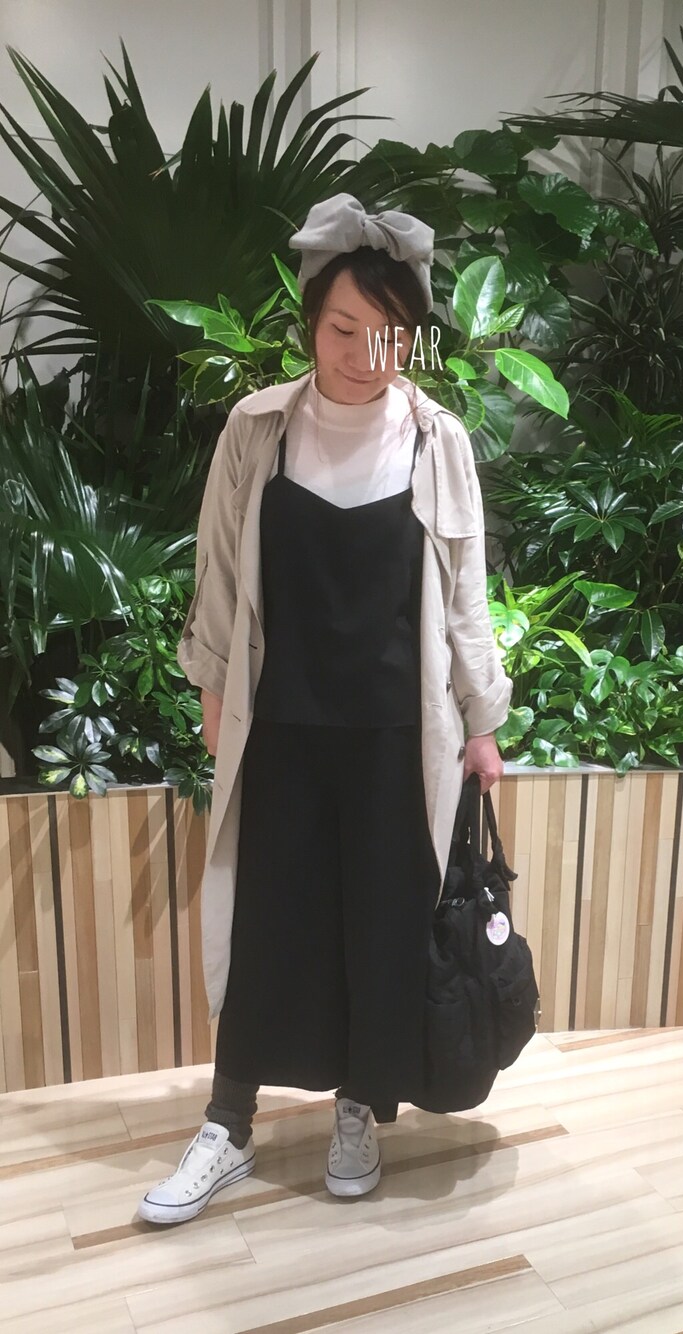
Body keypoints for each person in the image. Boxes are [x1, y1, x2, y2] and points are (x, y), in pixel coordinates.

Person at [137, 194, 512, 1224]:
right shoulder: (258, 428)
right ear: (311, 321)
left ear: (412, 335)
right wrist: (214, 689)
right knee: (269, 920)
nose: (363, 353)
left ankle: (359, 1106)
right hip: (282, 726)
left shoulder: (437, 441)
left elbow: (467, 592)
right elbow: (219, 573)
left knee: (383, 926)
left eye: (386, 332)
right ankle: (227, 1122)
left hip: (399, 734)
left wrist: (482, 721)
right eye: (343, 327)